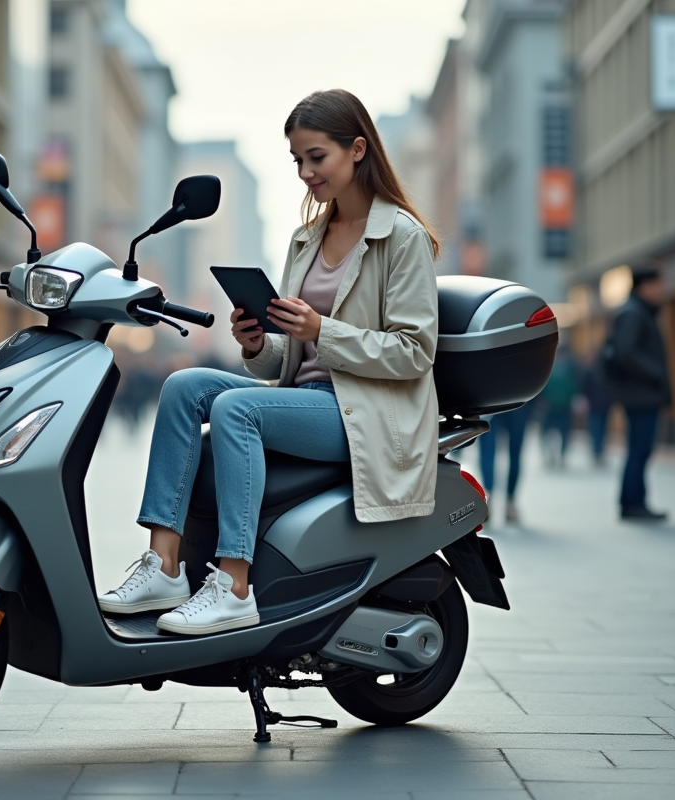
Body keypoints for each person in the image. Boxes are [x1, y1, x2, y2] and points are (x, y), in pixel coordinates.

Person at [97, 89, 441, 635]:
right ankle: (164, 565)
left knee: (236, 409)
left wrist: (321, 330)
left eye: (316, 157)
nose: (305, 172)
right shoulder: (307, 238)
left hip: (364, 411)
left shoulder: (402, 237)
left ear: (357, 150)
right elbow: (290, 356)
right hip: (305, 399)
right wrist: (259, 343)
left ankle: (234, 586)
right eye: (297, 160)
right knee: (184, 385)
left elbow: (415, 351)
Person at [606, 262, 671, 521]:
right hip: (640, 394)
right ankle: (633, 503)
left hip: (640, 393)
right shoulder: (634, 313)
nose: (661, 290)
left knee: (640, 449)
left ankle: (633, 502)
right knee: (639, 449)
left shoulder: (638, 311)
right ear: (645, 285)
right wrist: (654, 373)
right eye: (657, 285)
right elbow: (626, 351)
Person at [477, 403, 531, 524]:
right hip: (517, 397)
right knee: (512, 451)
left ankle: (493, 499)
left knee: (488, 451)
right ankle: (507, 501)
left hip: (492, 399)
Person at [539, 345, 579, 468]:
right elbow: (574, 388)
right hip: (563, 407)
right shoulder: (570, 370)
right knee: (564, 432)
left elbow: (543, 388)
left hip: (552, 406)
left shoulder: (549, 369)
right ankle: (561, 454)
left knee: (547, 432)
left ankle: (551, 454)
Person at [580, 351, 614, 467]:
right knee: (601, 428)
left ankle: (597, 451)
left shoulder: (590, 371)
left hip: (596, 405)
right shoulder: (606, 372)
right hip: (603, 405)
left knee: (596, 428)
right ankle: (598, 451)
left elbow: (585, 388)